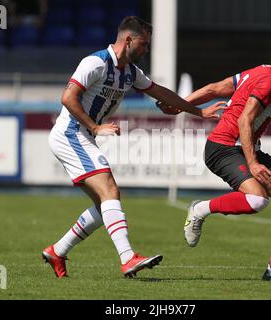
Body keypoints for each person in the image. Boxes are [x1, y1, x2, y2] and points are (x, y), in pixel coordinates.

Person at [42, 16, 225, 278]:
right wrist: (95, 127)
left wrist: (198, 111)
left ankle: (57, 251)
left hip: (82, 136)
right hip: (71, 134)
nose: (146, 49)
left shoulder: (129, 72)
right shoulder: (96, 62)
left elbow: (161, 92)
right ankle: (128, 258)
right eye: (144, 44)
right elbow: (67, 97)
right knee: (111, 191)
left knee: (106, 203)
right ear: (128, 40)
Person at [173, 40, 271, 279]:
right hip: (224, 147)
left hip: (244, 147)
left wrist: (180, 104)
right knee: (256, 200)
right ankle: (200, 209)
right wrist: (253, 163)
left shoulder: (259, 71)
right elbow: (245, 120)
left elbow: (215, 87)